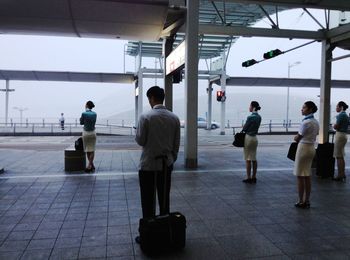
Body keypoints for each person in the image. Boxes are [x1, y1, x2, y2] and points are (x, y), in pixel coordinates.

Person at [134, 86, 180, 244]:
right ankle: (165, 232)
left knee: (148, 200)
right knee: (164, 199)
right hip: (166, 165)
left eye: (149, 98)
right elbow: (176, 145)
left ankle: (148, 234)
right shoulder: (174, 118)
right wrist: (171, 159)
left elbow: (140, 140)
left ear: (152, 98)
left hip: (148, 165)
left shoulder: (146, 117)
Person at [293, 101, 319, 209]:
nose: (302, 109)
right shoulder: (316, 122)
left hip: (303, 148)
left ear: (310, 109)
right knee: (307, 175)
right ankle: (307, 200)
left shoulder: (305, 122)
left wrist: (295, 137)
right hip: (312, 148)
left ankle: (300, 201)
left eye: (304, 107)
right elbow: (316, 134)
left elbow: (298, 137)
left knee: (300, 175)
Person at [242, 101, 262, 184]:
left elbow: (245, 128)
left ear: (253, 107)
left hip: (248, 138)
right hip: (255, 138)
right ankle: (254, 177)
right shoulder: (259, 117)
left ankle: (248, 177)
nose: (249, 107)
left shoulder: (250, 117)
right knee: (254, 158)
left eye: (250, 106)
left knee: (248, 159)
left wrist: (243, 126)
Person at [333, 101, 349, 182]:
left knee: (338, 156)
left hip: (340, 135)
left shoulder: (341, 115)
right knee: (341, 155)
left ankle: (340, 175)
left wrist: (333, 125)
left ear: (341, 107)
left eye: (337, 106)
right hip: (344, 135)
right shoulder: (345, 115)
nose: (336, 108)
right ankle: (343, 173)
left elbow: (336, 127)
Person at [80, 101, 97, 173]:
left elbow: (81, 123)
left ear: (86, 105)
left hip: (86, 133)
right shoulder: (95, 114)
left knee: (87, 149)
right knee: (92, 149)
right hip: (93, 133)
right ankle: (91, 165)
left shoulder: (84, 114)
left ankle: (89, 165)